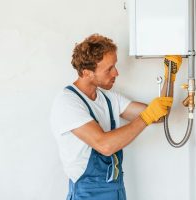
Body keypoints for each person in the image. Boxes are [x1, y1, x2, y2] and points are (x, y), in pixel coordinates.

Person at [50, 33, 182, 200]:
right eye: (109, 69)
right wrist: (147, 116)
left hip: (116, 190)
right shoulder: (68, 103)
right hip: (88, 194)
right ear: (87, 73)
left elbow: (158, 116)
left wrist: (170, 75)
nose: (116, 73)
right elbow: (104, 145)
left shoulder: (109, 98)